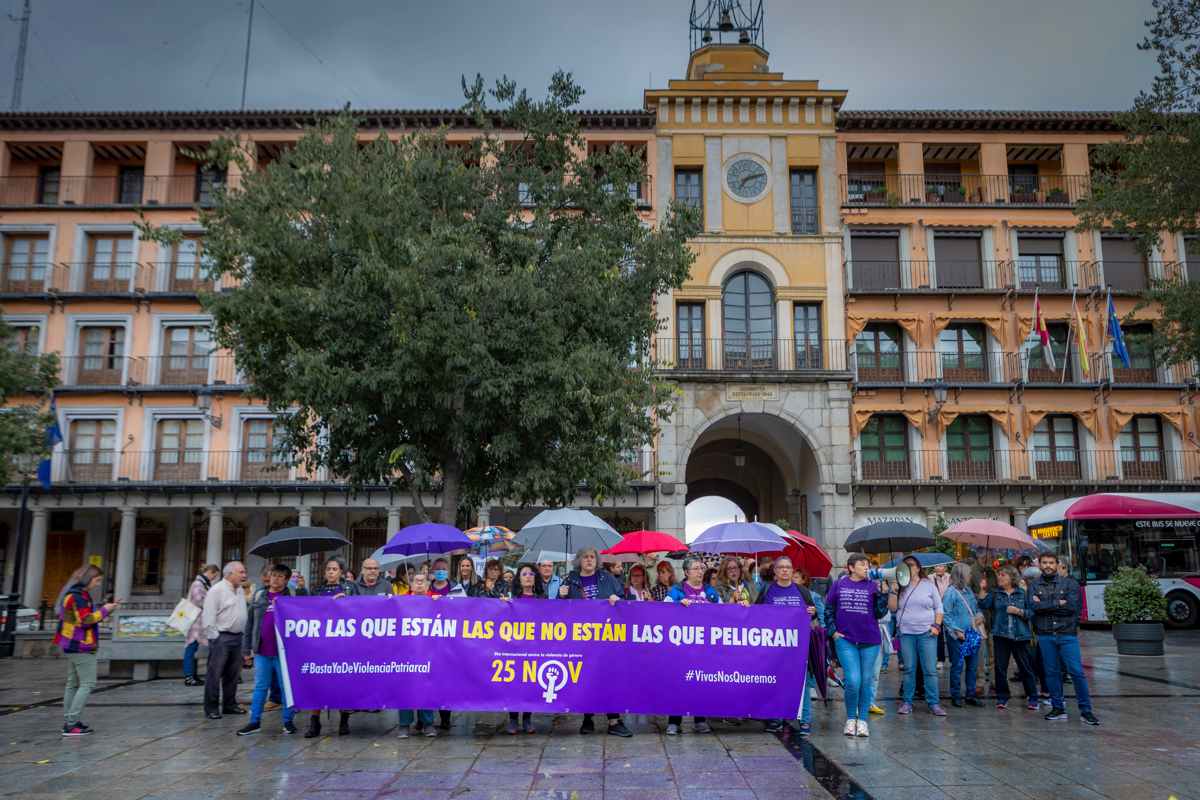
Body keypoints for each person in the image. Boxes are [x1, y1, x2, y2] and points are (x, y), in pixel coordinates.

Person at [562, 548, 632, 737]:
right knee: (586, 676)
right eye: (585, 557)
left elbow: (626, 600)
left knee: (608, 676)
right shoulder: (570, 580)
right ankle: (587, 719)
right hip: (582, 638)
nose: (589, 560)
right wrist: (561, 596)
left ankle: (614, 720)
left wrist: (618, 599)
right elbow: (558, 610)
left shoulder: (607, 578)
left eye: (592, 557)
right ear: (579, 561)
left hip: (606, 637)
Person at [1028, 553, 1099, 725]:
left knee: (1077, 672)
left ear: (1057, 564)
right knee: (1051, 673)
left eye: (1051, 562)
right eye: (1044, 562)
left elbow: (1071, 608)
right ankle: (1058, 707)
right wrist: (1057, 603)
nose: (1048, 566)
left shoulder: (1070, 584)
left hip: (1066, 634)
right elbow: (1033, 608)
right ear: (1039, 565)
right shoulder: (1034, 585)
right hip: (1045, 634)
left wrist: (1044, 604)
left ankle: (1086, 710)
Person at [758, 557, 821, 736]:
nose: (785, 570)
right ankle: (777, 718)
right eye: (781, 567)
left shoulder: (802, 591)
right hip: (774, 647)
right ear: (775, 571)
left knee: (802, 685)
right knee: (775, 682)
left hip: (798, 648)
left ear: (792, 571)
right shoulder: (767, 590)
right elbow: (755, 614)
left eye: (788, 567)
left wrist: (813, 612)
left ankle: (805, 720)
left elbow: (813, 619)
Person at [826, 554, 887, 737]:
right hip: (846, 640)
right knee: (853, 680)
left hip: (870, 640)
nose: (866, 567)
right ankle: (851, 718)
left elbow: (879, 613)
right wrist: (833, 632)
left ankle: (863, 722)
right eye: (862, 564)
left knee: (866, 681)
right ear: (851, 567)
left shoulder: (872, 585)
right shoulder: (839, 584)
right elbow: (828, 608)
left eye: (867, 564)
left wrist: (883, 594)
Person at [54, 565, 119, 735]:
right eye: (97, 581)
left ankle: (70, 721)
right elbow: (86, 620)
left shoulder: (74, 595)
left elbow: (76, 619)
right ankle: (71, 723)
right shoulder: (78, 597)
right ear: (87, 579)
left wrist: (103, 609)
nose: (98, 584)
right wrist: (106, 610)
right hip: (80, 644)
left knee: (73, 684)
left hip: (71, 643)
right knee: (87, 683)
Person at [237, 563, 300, 736]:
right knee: (260, 687)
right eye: (274, 575)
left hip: (283, 653)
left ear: (287, 580)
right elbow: (249, 625)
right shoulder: (259, 596)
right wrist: (246, 650)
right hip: (262, 651)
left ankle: (288, 721)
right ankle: (254, 721)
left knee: (286, 686)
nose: (276, 579)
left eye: (280, 576)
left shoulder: (292, 597)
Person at [304, 557, 359, 737]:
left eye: (334, 569)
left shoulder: (350, 589)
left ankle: (344, 721)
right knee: (317, 682)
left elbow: (360, 609)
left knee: (343, 682)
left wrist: (345, 601)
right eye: (328, 569)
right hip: (321, 643)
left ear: (341, 572)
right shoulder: (317, 590)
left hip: (344, 642)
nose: (330, 572)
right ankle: (314, 723)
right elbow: (310, 611)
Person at [664, 558, 720, 735]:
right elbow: (662, 610)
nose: (700, 572)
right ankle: (674, 721)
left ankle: (700, 720)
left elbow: (724, 612)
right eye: (695, 569)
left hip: (703, 648)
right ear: (687, 572)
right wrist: (676, 606)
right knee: (678, 683)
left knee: (701, 681)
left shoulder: (710, 592)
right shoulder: (677, 591)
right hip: (681, 648)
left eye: (701, 568)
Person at [891, 554, 946, 717]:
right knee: (909, 669)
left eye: (912, 564)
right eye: (906, 565)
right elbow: (893, 608)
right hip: (906, 633)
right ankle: (907, 702)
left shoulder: (928, 585)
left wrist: (936, 625)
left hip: (927, 633)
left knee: (930, 670)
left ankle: (934, 703)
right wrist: (893, 591)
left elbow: (939, 607)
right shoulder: (900, 585)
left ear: (918, 567)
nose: (909, 567)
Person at [977, 565, 1039, 711]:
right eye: (999, 575)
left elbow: (1032, 612)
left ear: (1012, 577)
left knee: (1025, 667)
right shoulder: (995, 593)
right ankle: (1002, 697)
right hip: (1001, 635)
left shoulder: (1022, 593)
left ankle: (1032, 696)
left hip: (1021, 636)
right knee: (1000, 668)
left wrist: (1018, 611)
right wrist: (982, 588)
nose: (1000, 577)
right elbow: (983, 604)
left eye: (1003, 575)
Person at [202, 561, 248, 720]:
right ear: (229, 574)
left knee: (233, 674)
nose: (244, 575)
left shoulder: (240, 590)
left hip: (237, 637)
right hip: (221, 636)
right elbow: (208, 617)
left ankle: (229, 705)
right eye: (241, 572)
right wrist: (215, 638)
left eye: (244, 572)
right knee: (215, 674)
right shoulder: (216, 590)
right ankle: (212, 708)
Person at [397, 572, 438, 738]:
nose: (420, 584)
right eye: (416, 581)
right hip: (406, 651)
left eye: (423, 581)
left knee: (426, 686)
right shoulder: (401, 601)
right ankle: (404, 724)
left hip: (427, 651)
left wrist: (439, 603)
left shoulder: (435, 601)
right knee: (405, 687)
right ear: (411, 585)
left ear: (428, 585)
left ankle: (428, 723)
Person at [505, 564, 543, 734]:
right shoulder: (512, 599)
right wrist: (503, 605)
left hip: (534, 646)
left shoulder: (542, 600)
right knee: (514, 682)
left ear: (535, 578)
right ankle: (513, 719)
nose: (528, 576)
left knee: (530, 681)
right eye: (524, 574)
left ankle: (527, 718)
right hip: (515, 646)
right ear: (519, 579)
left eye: (531, 574)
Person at [942, 563, 984, 708]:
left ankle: (970, 695)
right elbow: (945, 615)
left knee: (972, 667)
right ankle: (956, 695)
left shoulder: (969, 591)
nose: (970, 575)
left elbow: (976, 608)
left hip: (971, 633)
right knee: (957, 666)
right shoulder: (950, 593)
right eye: (968, 573)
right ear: (961, 575)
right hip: (957, 636)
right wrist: (956, 630)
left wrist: (979, 615)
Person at [183, 564, 220, 686]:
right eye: (214, 575)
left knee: (192, 648)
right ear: (210, 572)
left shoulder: (202, 583)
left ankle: (192, 675)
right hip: (196, 622)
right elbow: (199, 600)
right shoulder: (198, 584)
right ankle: (189, 677)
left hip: (199, 622)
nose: (214, 578)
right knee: (191, 648)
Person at [931, 562, 950, 670]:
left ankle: (952, 659)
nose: (938, 567)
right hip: (936, 612)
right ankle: (940, 659)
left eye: (941, 566)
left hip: (948, 611)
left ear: (945, 568)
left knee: (951, 635)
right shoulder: (929, 578)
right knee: (938, 636)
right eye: (937, 565)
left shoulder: (950, 578)